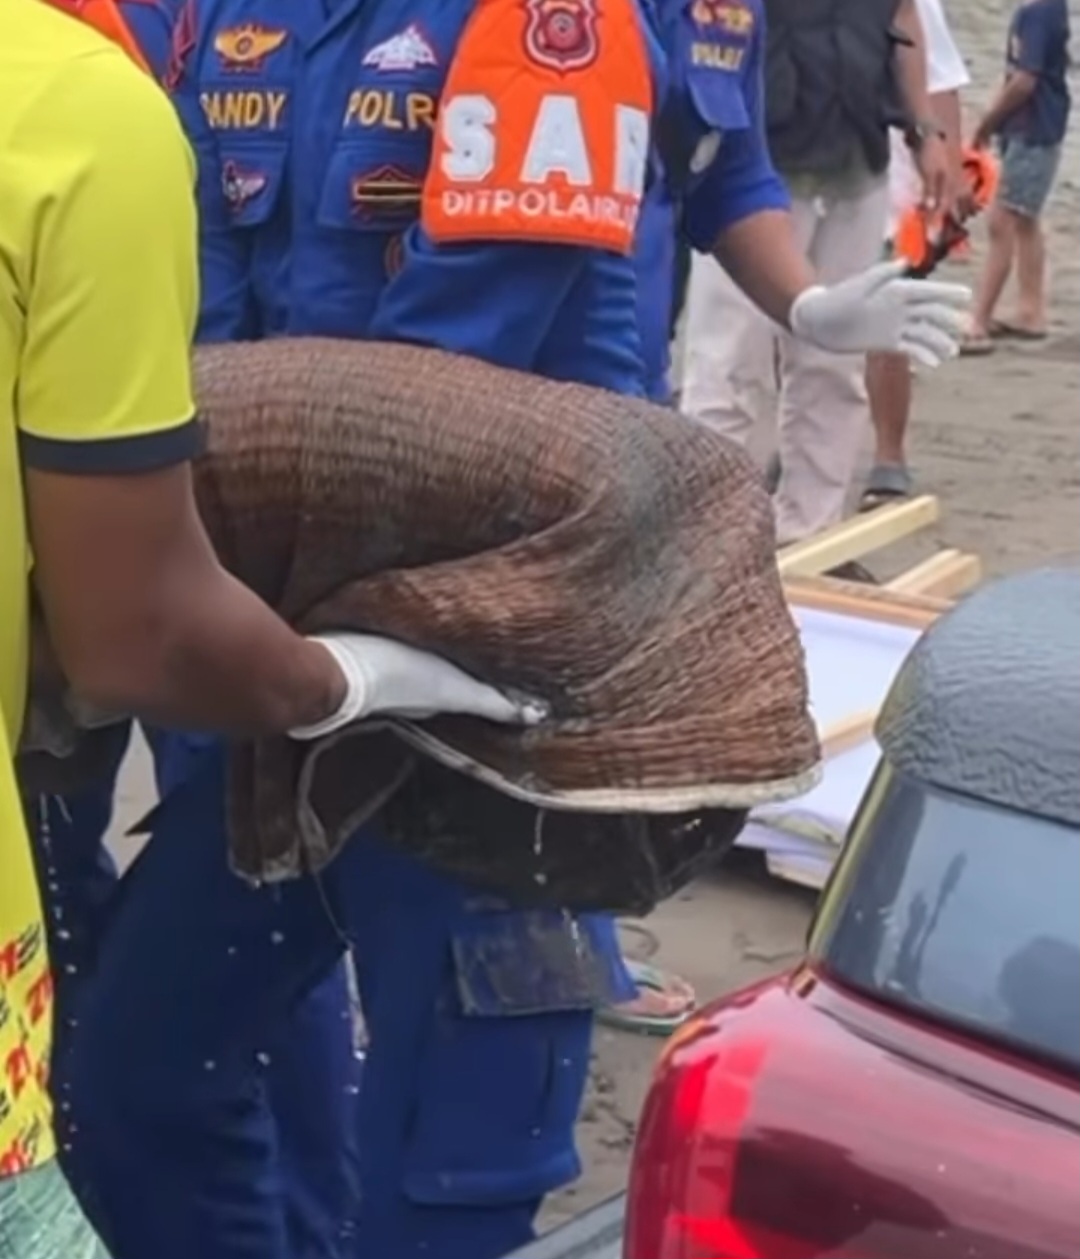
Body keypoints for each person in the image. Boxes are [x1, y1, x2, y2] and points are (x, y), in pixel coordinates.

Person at [1, 2, 535, 1257]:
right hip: (206, 578)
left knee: (446, 1076)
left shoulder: (526, 19)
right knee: (171, 1060)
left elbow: (489, 321)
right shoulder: (174, 46)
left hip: (447, 597)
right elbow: (202, 308)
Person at [679, 0, 952, 545]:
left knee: (836, 361)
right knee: (728, 362)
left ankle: (810, 531)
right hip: (752, 172)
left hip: (857, 159)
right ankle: (704, 536)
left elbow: (904, 17)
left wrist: (927, 131)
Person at [862, 0, 970, 509]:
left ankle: (889, 455)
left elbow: (942, 78)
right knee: (796, 318)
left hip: (893, 175)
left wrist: (952, 163)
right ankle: (806, 445)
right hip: (808, 158)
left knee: (888, 320)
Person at [964, 0, 1071, 352]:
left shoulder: (1038, 13)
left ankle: (979, 318)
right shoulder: (1045, 9)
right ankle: (1030, 310)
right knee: (1025, 218)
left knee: (1003, 220)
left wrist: (986, 122)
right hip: (1031, 127)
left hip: (1033, 130)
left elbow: (1025, 80)